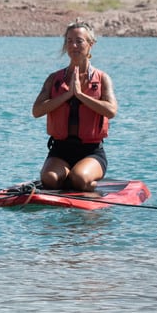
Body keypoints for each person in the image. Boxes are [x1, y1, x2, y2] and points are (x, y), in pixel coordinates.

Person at [32, 20, 117, 192]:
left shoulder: (102, 78)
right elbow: (37, 111)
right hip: (60, 150)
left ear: (90, 44)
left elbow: (111, 111)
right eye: (69, 41)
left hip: (91, 152)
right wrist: (67, 95)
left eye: (79, 41)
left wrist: (80, 95)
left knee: (79, 179)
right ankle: (67, 178)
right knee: (49, 180)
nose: (74, 45)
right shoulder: (54, 79)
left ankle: (85, 182)